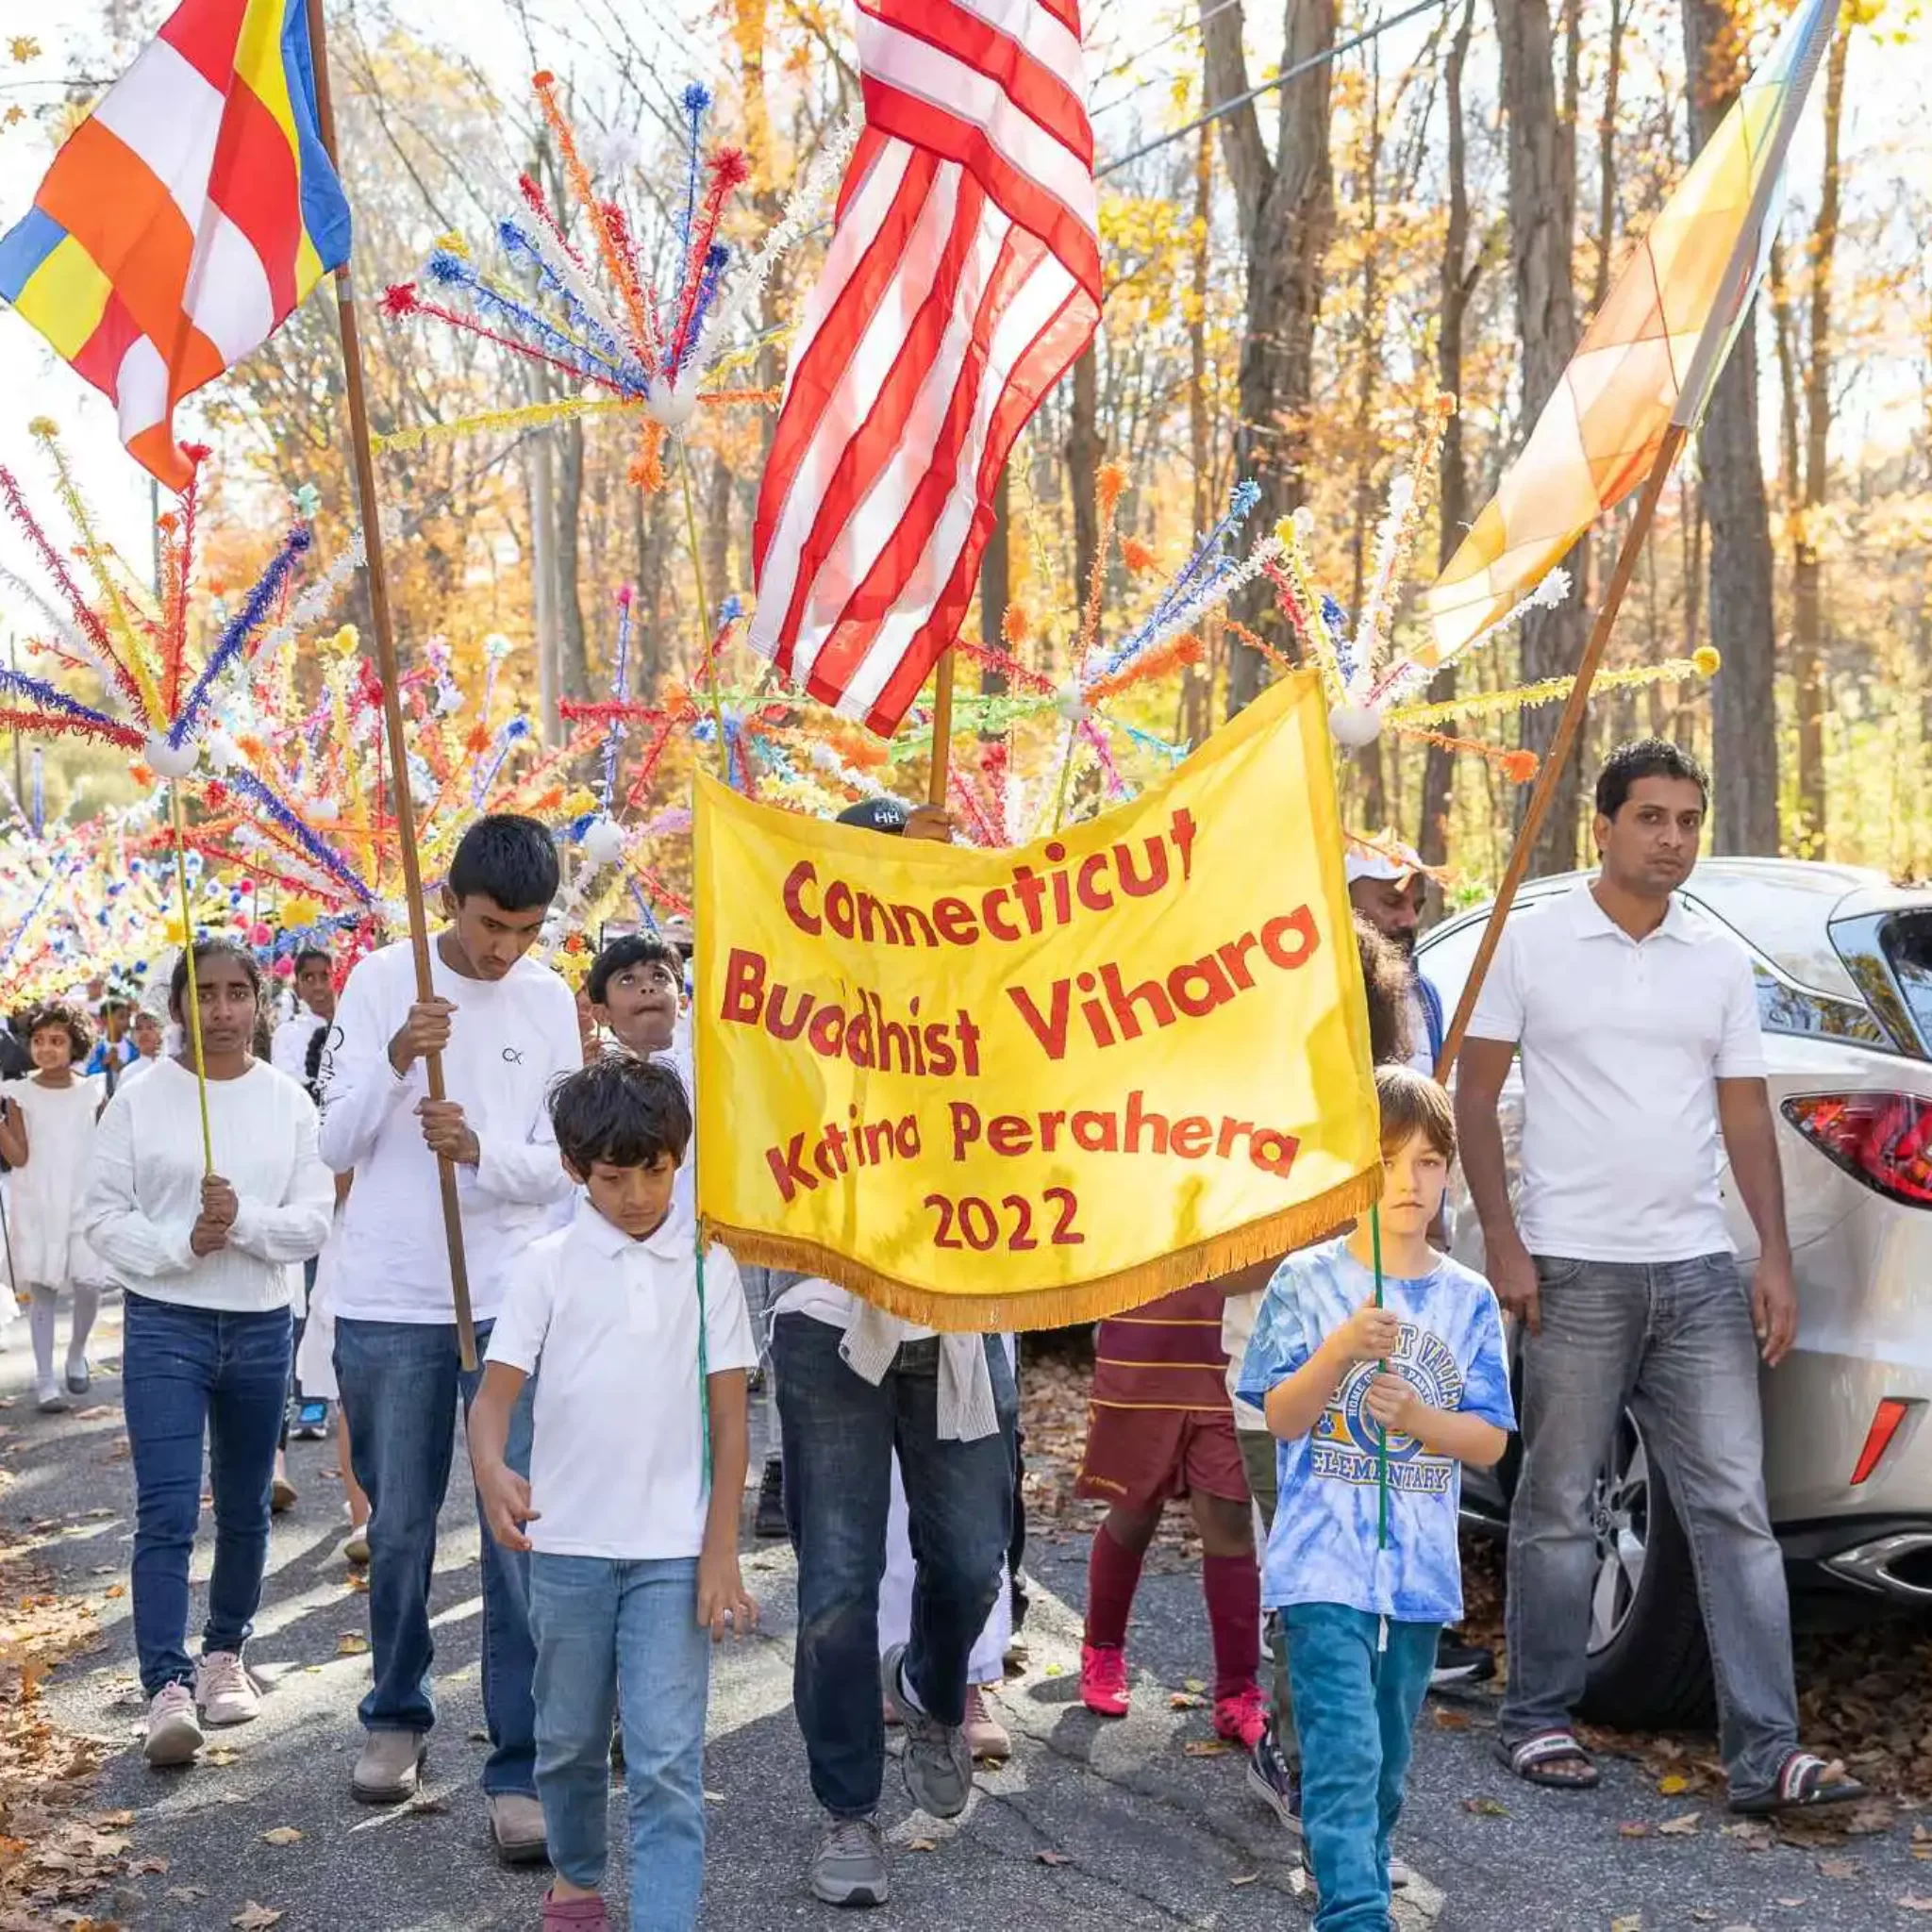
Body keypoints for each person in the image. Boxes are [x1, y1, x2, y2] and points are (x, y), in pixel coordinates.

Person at [1457, 738, 1861, 1814]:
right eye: (1649, 817)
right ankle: (1535, 1716)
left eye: (1685, 819)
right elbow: (1472, 1095)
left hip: (1694, 1272)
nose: (1671, 838)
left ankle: (1765, 1752)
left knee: (1734, 1507)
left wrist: (1768, 1253)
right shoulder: (1533, 945)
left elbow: (1741, 1111)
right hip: (1573, 1266)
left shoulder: (1715, 961)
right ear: (1601, 824)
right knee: (1555, 1500)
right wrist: (1503, 1239)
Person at [771, 793, 1018, 1910]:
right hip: (832, 1320)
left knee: (969, 1559)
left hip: (960, 1320)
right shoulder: (788, 1000)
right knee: (834, 1578)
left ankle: (929, 1681)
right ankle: (847, 1811)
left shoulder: (1003, 1000)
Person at [319, 813, 580, 1858]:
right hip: (391, 1295)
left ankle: (519, 1764)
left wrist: (477, 1148)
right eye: (486, 924)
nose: (502, 947)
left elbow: (564, 1158)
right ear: (449, 901)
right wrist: (394, 1059)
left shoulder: (552, 997)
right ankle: (394, 1708)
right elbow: (331, 1137)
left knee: (520, 1533)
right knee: (400, 1526)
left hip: (511, 1297)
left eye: (523, 928)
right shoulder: (385, 977)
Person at [471, 1057, 758, 1932]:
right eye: (612, 1176)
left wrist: (720, 1553)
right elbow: (492, 1403)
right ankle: (578, 1879)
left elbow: (732, 1424)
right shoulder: (547, 1264)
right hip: (568, 1551)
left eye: (656, 1169)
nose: (636, 1194)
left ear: (681, 1158)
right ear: (573, 1169)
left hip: (674, 1551)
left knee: (669, 1760)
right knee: (567, 1743)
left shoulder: (711, 1266)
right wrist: (491, 1471)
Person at [1238, 1067, 1514, 1932]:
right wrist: (1340, 1351)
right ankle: (1356, 1911)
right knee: (1343, 1752)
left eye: (1428, 1162)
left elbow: (1492, 1439)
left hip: (1418, 1576)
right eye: (1387, 1161)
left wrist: (1424, 1417)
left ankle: (1349, 1859)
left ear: (1447, 1175)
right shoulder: (1305, 1281)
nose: (1409, 1181)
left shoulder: (1467, 1300)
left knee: (1388, 1764)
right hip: (1323, 1566)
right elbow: (1280, 1414)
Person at [80, 940, 333, 1766]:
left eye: (237, 993)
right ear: (178, 1006)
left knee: (246, 1502)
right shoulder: (139, 1099)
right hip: (165, 1324)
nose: (222, 1010)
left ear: (260, 1003)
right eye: (205, 994)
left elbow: (313, 1222)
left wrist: (243, 1222)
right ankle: (166, 1684)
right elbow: (103, 1218)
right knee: (164, 1509)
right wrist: (184, 1242)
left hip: (261, 1325)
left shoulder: (290, 1101)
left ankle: (226, 1652)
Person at [1222, 916, 1415, 1830]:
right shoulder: (1239, 1115)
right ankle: (1306, 1765)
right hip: (1277, 1394)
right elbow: (1223, 1268)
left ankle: (1303, 1743)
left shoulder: (1398, 1117)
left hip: (1381, 1395)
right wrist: (1318, 1229)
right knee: (1319, 1578)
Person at [1074, 1279, 1266, 1750]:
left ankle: (1238, 1691)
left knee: (1228, 1514)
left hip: (1229, 1339)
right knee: (1135, 1508)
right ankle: (1102, 1649)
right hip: (1144, 1337)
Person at [0, 1002, 109, 1412]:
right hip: (39, 1199)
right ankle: (45, 1379)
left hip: (84, 1198)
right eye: (40, 1041)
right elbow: (19, 1156)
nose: (46, 1049)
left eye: (57, 1041)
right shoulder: (18, 1094)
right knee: (42, 1290)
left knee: (91, 1282)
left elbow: (106, 1147)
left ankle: (77, 1351)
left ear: (75, 1045)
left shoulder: (94, 1091)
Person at [1345, 843, 1442, 1079]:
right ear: (1344, 901)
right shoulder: (1308, 994)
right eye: (1392, 903)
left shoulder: (1424, 995)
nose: (1410, 920)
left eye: (1417, 906)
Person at [272, 948, 337, 1084]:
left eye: (325, 976)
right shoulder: (287, 1034)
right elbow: (288, 1085)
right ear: (297, 988)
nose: (318, 986)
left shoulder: (355, 1027)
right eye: (309, 978)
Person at [117, 1009, 167, 1091]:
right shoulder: (127, 1073)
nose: (144, 1032)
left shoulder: (172, 1067)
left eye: (150, 1027)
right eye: (139, 1028)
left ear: (161, 1032)